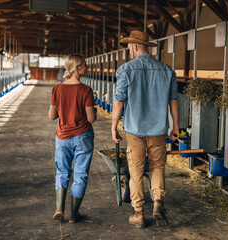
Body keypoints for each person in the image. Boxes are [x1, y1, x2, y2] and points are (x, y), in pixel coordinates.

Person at [111, 30, 179, 228]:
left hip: (135, 130)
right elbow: (174, 102)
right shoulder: (167, 71)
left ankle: (139, 213)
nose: (129, 52)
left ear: (134, 46)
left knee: (136, 172)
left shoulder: (126, 70)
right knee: (158, 167)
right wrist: (176, 127)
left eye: (129, 48)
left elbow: (118, 103)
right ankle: (158, 202)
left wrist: (113, 126)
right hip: (159, 129)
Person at [49, 54, 96, 223]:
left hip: (63, 137)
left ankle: (59, 208)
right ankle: (74, 215)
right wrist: (93, 111)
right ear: (77, 68)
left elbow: (52, 116)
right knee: (80, 174)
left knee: (62, 172)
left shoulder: (57, 89)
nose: (87, 68)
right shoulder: (86, 90)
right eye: (85, 65)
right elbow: (91, 118)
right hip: (83, 135)